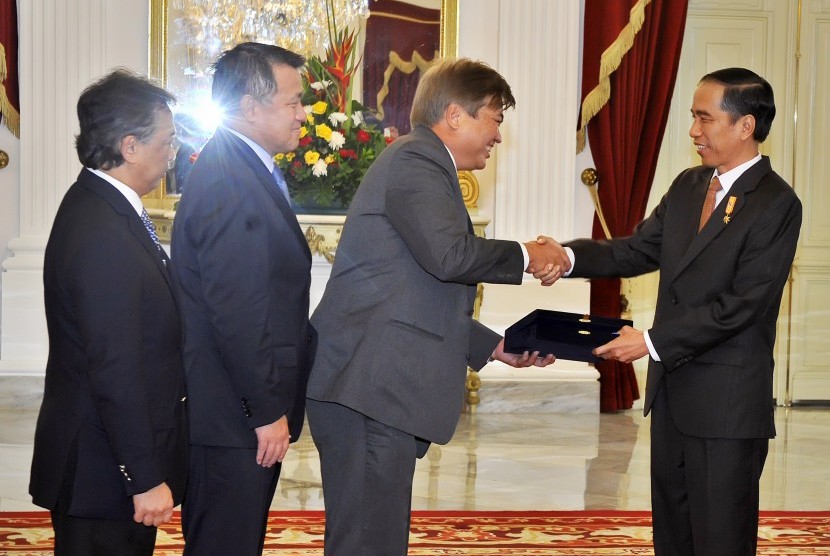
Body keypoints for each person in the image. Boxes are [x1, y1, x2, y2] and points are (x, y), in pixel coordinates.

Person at [305, 57, 571, 556]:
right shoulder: (416, 160)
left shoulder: (423, 162)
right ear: (455, 115)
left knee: (376, 539)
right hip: (368, 389)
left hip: (374, 387)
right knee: (368, 543)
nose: (497, 134)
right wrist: (528, 254)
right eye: (494, 117)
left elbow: (409, 289)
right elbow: (449, 257)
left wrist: (495, 346)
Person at [547, 68, 801, 555]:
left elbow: (743, 306)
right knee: (673, 536)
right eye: (693, 117)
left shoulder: (776, 203)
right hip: (672, 401)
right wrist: (567, 255)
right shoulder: (689, 186)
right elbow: (635, 251)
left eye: (704, 119)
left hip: (727, 408)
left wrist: (650, 341)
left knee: (721, 539)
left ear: (745, 126)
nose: (693, 131)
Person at [29, 69, 187, 556]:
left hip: (105, 463)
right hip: (102, 472)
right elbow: (114, 367)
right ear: (131, 145)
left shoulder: (104, 207)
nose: (174, 150)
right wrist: (143, 477)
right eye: (168, 139)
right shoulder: (101, 231)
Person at [170, 42, 316, 556]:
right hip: (232, 417)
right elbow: (238, 311)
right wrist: (264, 409)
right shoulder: (231, 180)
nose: (303, 114)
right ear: (251, 109)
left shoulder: (242, 169)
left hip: (234, 412)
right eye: (293, 102)